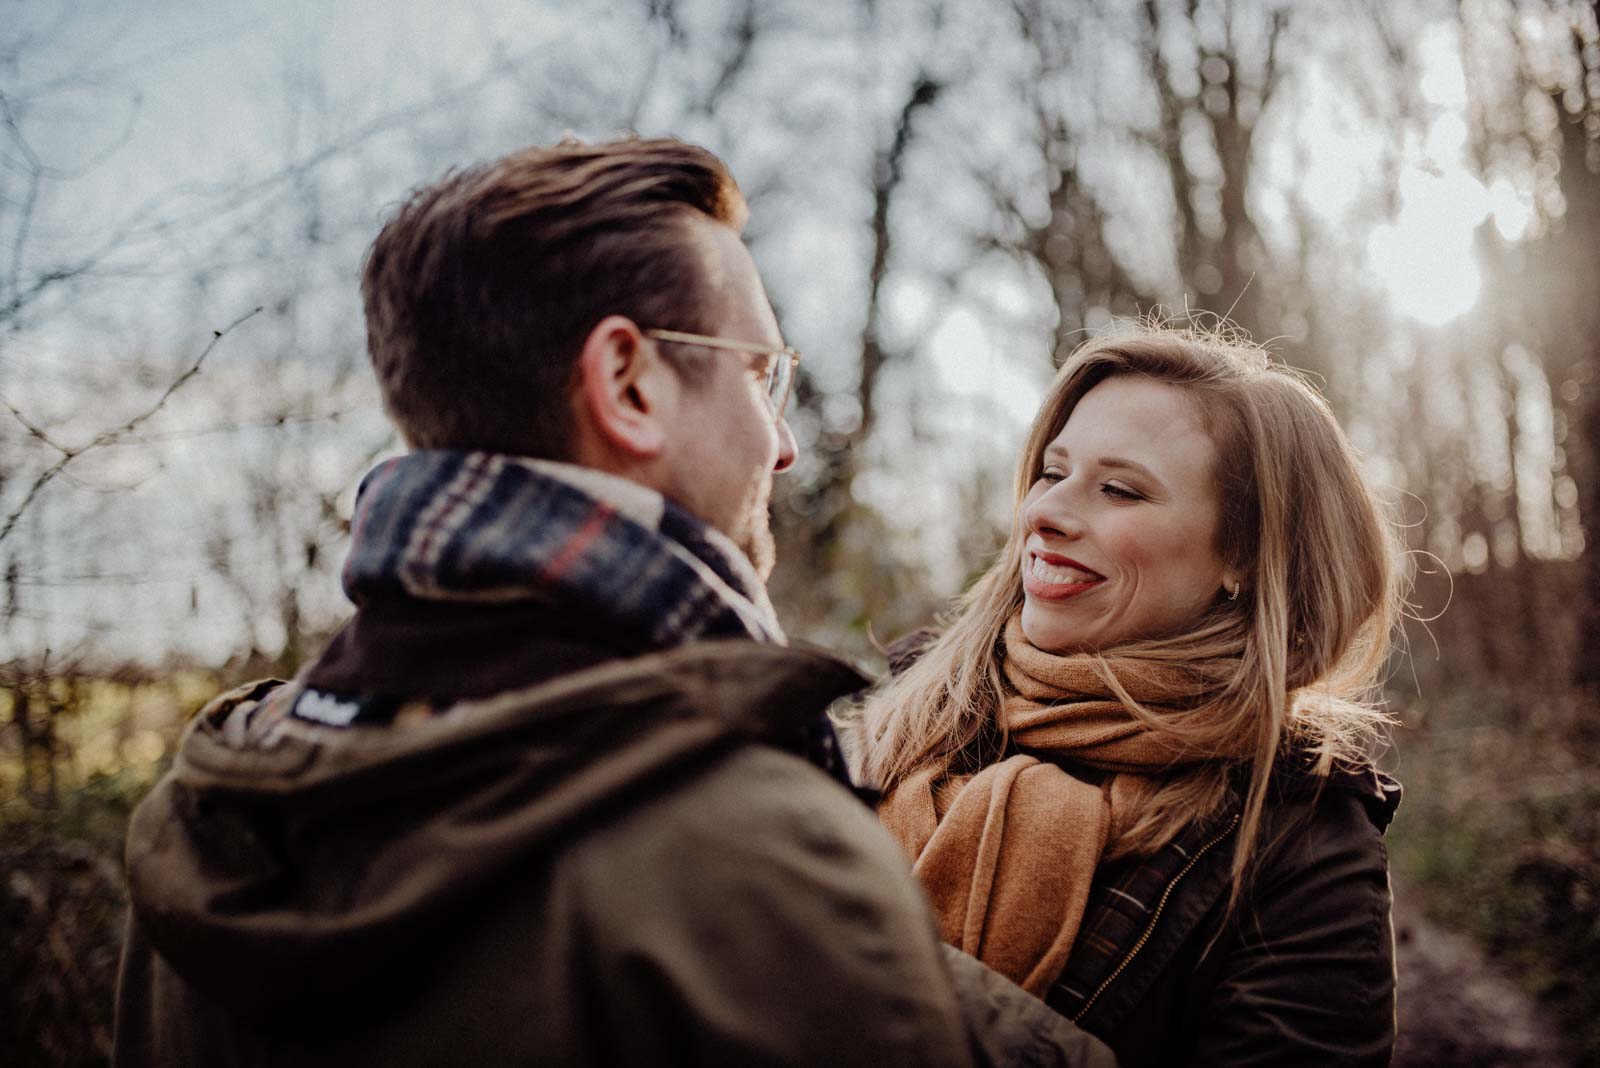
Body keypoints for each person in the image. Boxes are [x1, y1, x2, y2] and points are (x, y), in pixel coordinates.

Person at [113, 138, 1116, 1067]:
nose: (783, 446)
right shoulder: (745, 860)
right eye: (761, 375)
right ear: (628, 383)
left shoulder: (215, 806)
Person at [861, 325, 1403, 1067]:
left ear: (1243, 553)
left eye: (1120, 489)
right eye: (1052, 474)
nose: (1044, 515)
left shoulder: (1299, 843)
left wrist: (871, 975)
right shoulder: (899, 713)